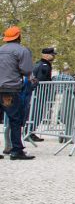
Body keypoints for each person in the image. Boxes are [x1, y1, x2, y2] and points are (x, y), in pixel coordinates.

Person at [0, 26, 34, 160]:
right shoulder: (21, 51)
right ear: (18, 36)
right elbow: (27, 70)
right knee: (15, 119)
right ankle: (16, 150)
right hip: (10, 89)